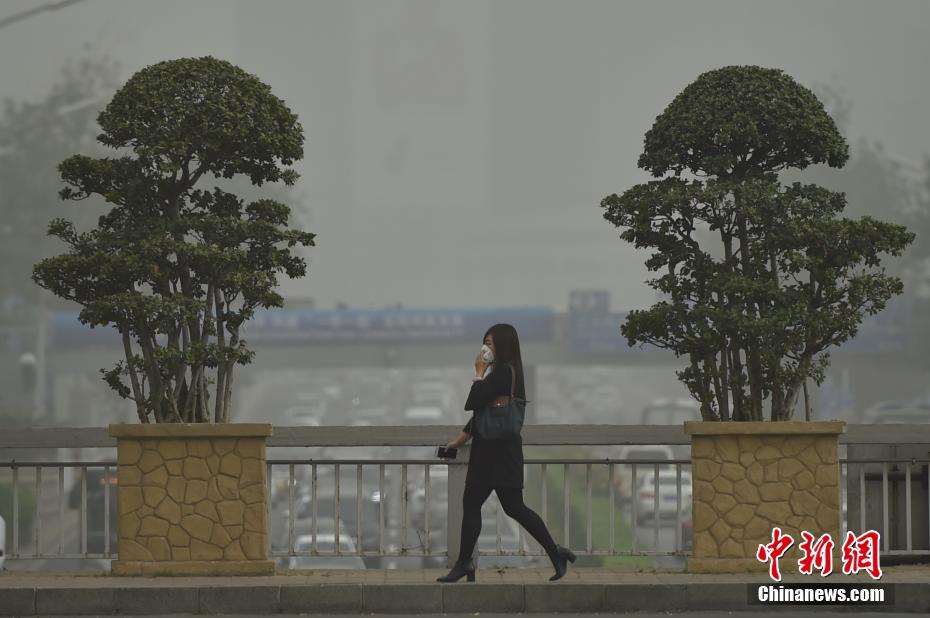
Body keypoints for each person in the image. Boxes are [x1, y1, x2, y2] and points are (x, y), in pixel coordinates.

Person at [437, 323, 575, 583]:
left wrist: (478, 372)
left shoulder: (502, 373)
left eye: (489, 343)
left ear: (503, 344)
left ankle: (553, 552)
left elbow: (473, 402)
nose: (484, 349)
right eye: (484, 343)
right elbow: (486, 413)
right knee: (493, 505)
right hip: (496, 451)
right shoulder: (505, 373)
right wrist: (461, 439)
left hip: (496, 453)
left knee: (504, 507)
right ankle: (554, 553)